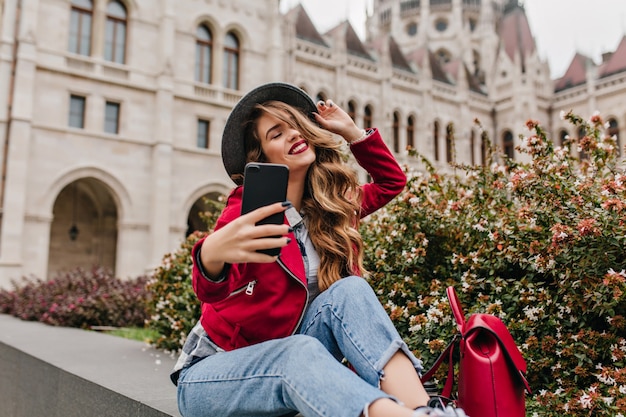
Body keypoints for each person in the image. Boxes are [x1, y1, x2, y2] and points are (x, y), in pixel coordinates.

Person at [171, 82, 467, 417]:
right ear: (262, 157)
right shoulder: (247, 211)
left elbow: (390, 182)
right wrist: (211, 254)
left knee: (350, 290)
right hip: (214, 377)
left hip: (296, 366)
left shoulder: (331, 206)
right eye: (276, 134)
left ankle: (426, 410)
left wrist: (353, 132)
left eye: (296, 124)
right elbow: (210, 288)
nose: (294, 134)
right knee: (296, 351)